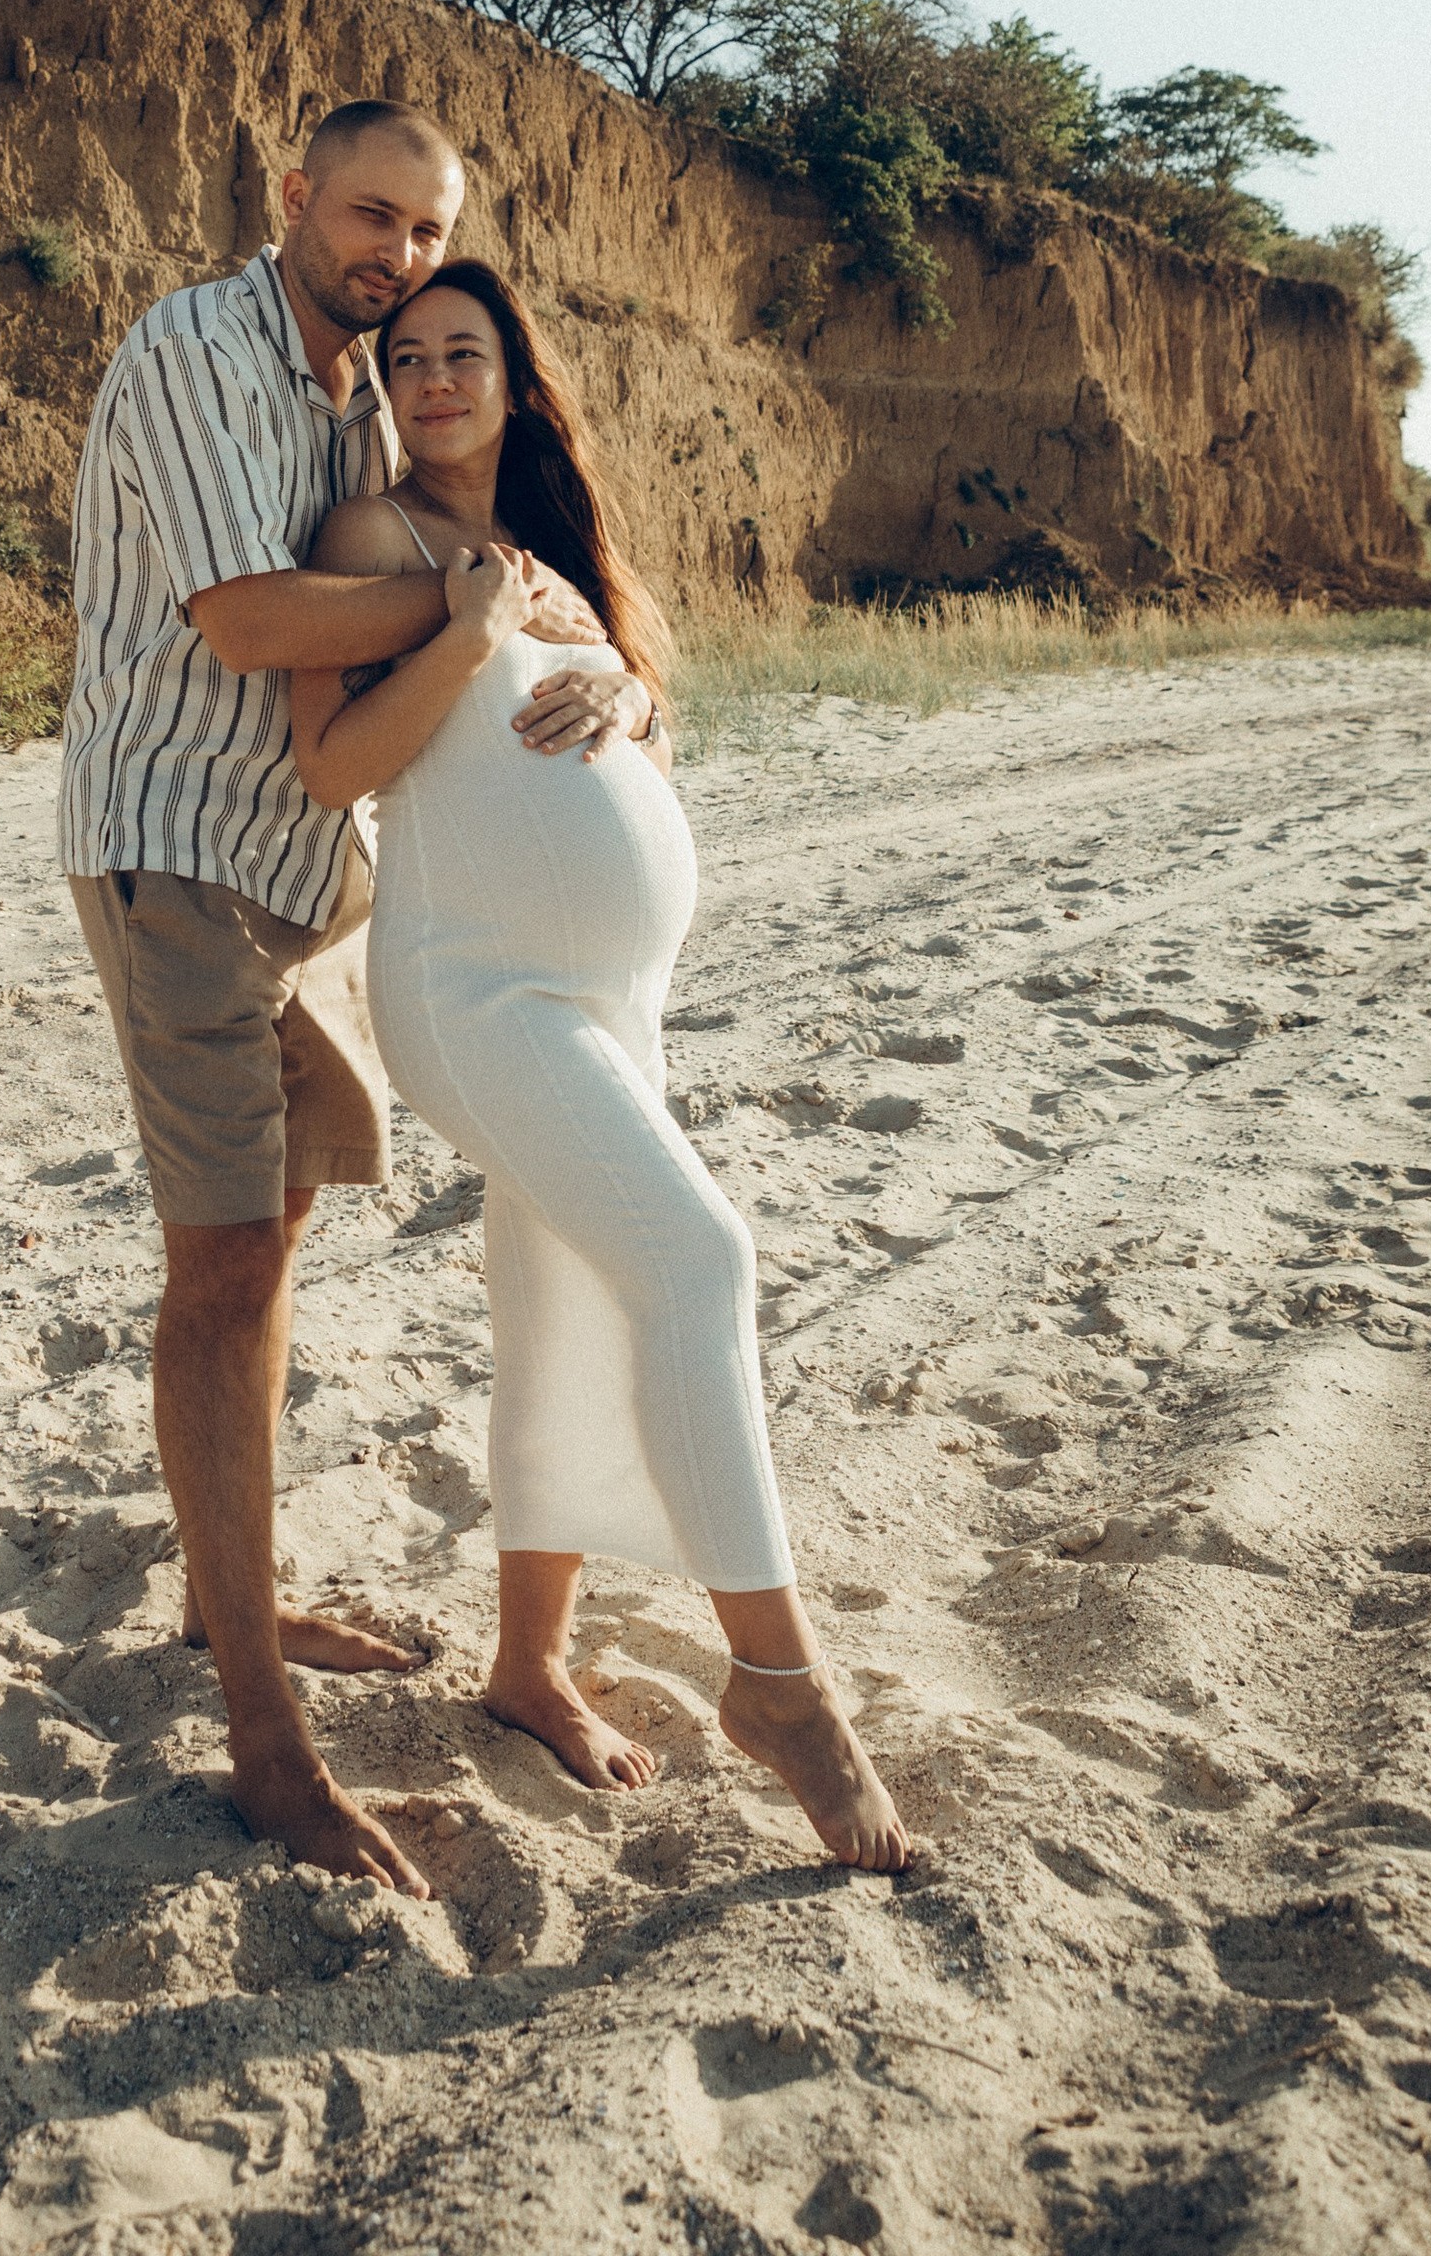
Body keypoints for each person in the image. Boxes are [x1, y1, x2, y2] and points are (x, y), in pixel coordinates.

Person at [59, 105, 645, 1898]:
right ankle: (261, 1743)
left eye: (428, 229)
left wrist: (594, 658)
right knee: (224, 1268)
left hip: (294, 886)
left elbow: (452, 571)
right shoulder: (197, 347)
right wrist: (472, 620)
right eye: (372, 214)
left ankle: (223, 1586)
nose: (395, 251)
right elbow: (247, 623)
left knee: (291, 1209)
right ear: (291, 196)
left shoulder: (357, 392)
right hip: (175, 857)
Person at [290, 260, 911, 1872]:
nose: (432, 378)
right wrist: (465, 625)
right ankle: (781, 1685)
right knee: (700, 1260)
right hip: (476, 987)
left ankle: (527, 1666)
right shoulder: (377, 543)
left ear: (514, 379)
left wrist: (626, 688)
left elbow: (625, 721)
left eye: (463, 353)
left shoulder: (556, 549)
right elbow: (336, 763)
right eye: (405, 357)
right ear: (379, 389)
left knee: (560, 1309)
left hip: (611, 986)